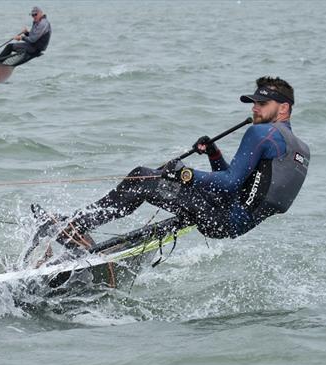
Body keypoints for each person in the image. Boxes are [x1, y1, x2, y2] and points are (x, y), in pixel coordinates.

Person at [36, 76, 311, 248]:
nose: (254, 108)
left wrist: (185, 174)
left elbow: (229, 185)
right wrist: (214, 155)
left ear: (284, 108)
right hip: (230, 221)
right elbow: (239, 189)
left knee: (142, 178)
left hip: (221, 217)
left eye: (262, 104)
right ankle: (88, 233)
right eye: (254, 102)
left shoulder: (264, 133)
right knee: (155, 184)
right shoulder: (300, 149)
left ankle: (74, 227)